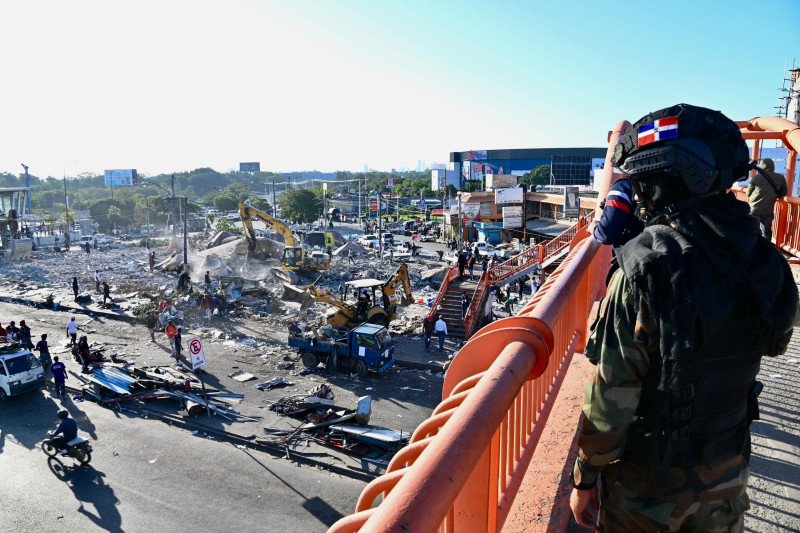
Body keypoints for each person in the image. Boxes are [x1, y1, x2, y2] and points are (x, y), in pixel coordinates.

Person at [569, 104, 798, 532]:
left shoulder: (645, 268)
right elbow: (777, 340)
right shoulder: (763, 259)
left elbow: (612, 399)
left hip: (649, 487)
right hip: (727, 476)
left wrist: (585, 477)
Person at [591, 176, 645, 247]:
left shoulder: (622, 187)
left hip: (637, 254)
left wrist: (594, 228)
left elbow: (606, 235)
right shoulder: (662, 182)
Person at [747, 157, 788, 243]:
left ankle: (754, 248)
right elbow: (784, 192)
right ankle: (767, 248)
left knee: (753, 230)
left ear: (761, 165)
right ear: (773, 166)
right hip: (768, 209)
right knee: (768, 231)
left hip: (754, 209)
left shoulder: (756, 177)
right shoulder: (780, 177)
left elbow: (748, 193)